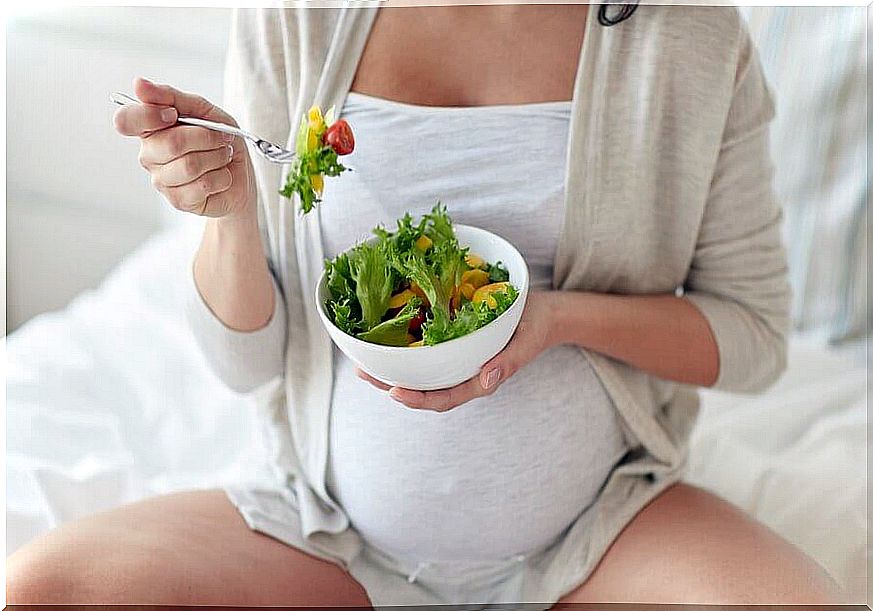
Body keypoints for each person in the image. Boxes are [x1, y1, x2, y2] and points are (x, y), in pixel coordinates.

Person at [8, 3, 844, 607]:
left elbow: (754, 334)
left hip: (600, 534)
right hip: (328, 536)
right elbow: (243, 363)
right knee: (46, 588)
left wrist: (551, 319)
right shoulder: (299, 18)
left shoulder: (690, 38)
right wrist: (231, 215)